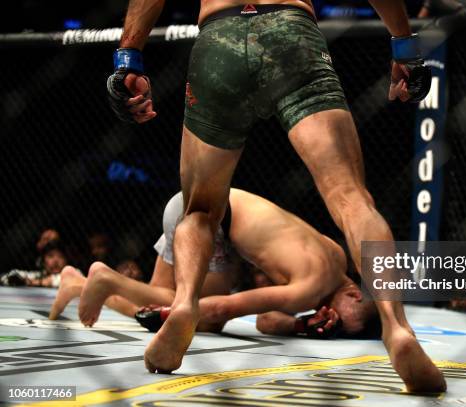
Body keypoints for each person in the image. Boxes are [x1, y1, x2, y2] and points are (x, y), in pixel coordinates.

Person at [106, 0, 444, 391]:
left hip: (219, 40)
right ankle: (397, 328)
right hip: (291, 37)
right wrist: (404, 45)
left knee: (200, 209)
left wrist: (128, 57)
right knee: (351, 198)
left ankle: (184, 304)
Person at [50, 189, 375, 338]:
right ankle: (107, 279)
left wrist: (300, 325)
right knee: (203, 317)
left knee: (152, 297)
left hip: (200, 207)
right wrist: (180, 311)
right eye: (346, 324)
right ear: (355, 296)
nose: (336, 325)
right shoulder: (313, 286)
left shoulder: (336, 255)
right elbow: (223, 308)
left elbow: (264, 321)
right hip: (207, 220)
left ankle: (77, 284)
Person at [1, 240, 73, 288]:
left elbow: (66, 281)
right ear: (43, 261)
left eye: (61, 257)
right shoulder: (39, 275)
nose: (56, 261)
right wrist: (15, 279)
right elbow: (9, 275)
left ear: (66, 261)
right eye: (50, 256)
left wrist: (35, 282)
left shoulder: (74, 273)